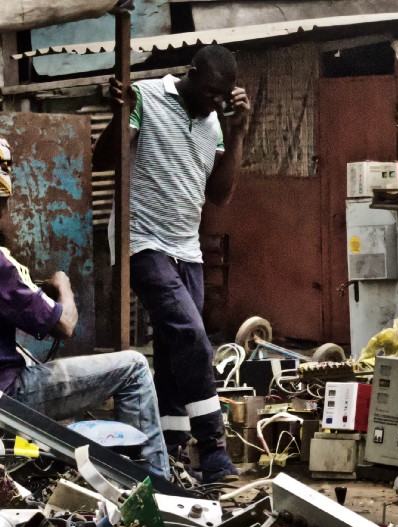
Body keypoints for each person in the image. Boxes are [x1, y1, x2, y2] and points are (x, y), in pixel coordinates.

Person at [93, 45, 252, 482]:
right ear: (192, 73)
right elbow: (104, 160)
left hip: (187, 249)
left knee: (173, 350)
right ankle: (213, 449)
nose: (215, 102)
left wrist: (237, 131)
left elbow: (219, 194)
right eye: (210, 92)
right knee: (193, 335)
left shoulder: (214, 124)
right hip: (142, 242)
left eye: (224, 96)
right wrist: (118, 116)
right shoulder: (144, 96)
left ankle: (172, 451)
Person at [0, 137, 170, 480]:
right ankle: (156, 484)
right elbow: (64, 324)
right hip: (8, 397)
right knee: (134, 367)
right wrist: (63, 285)